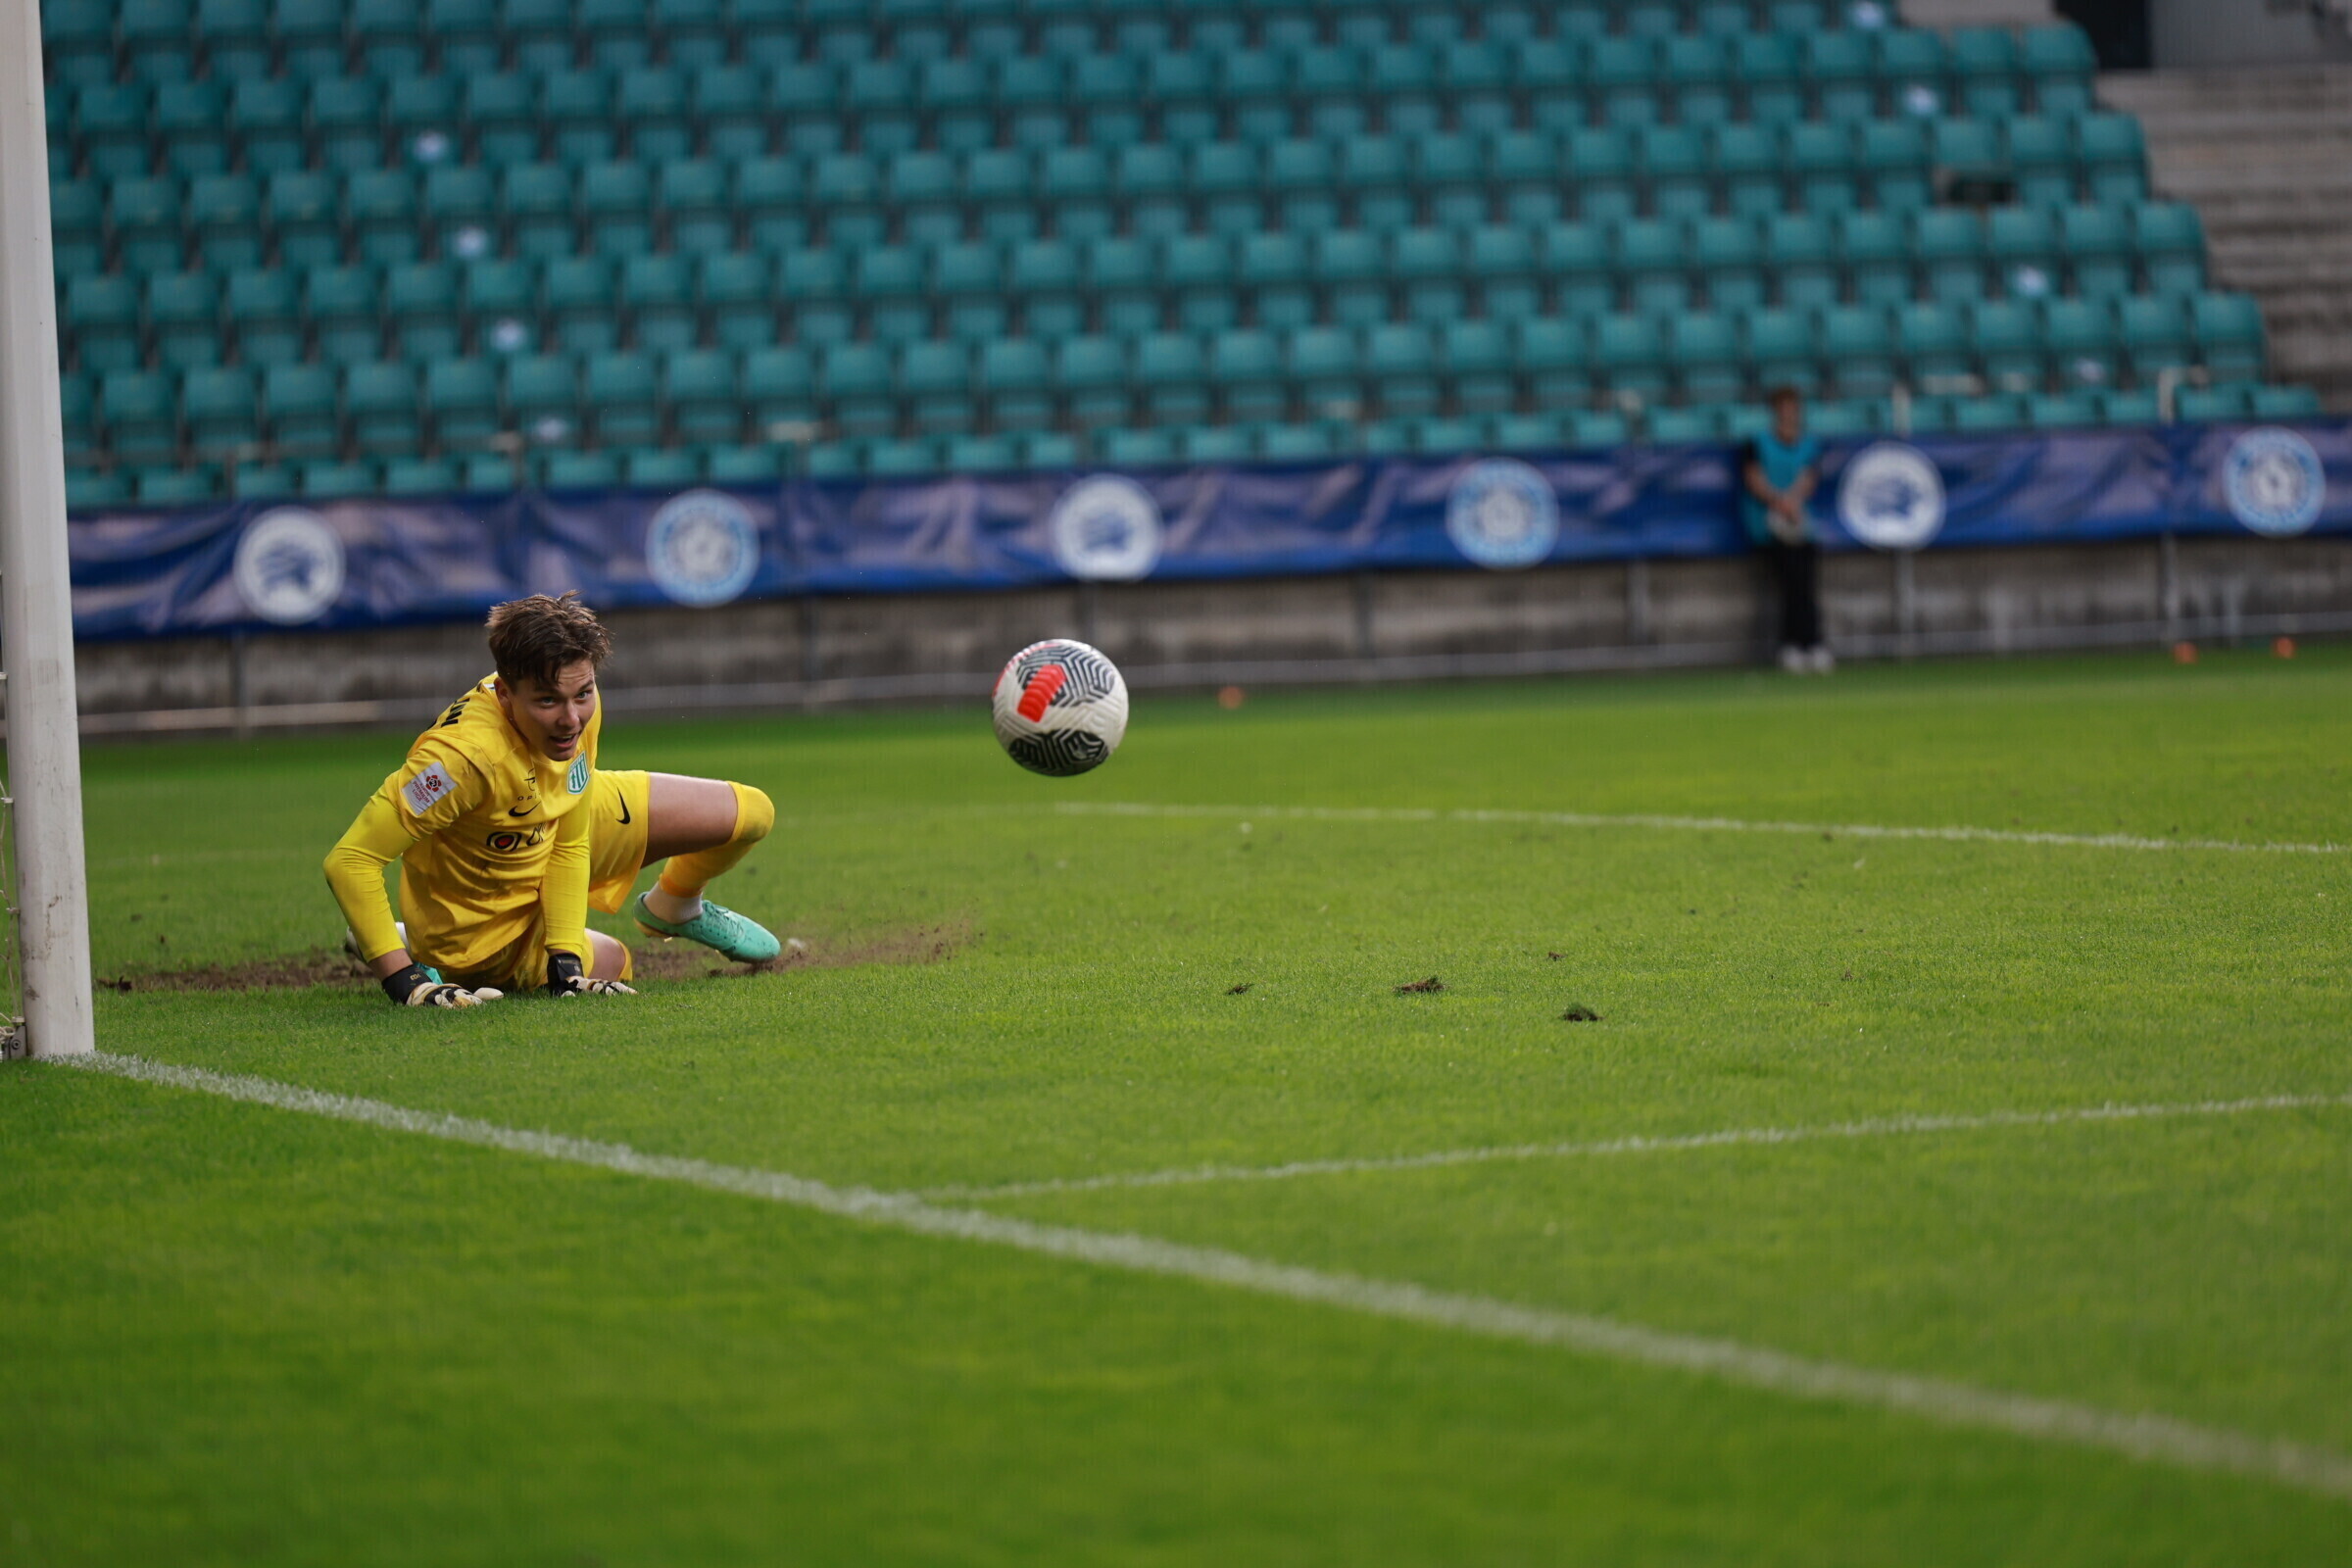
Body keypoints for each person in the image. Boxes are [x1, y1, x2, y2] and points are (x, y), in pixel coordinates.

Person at [322, 592, 779, 1006]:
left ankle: (675, 907)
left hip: (549, 823)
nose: (571, 720)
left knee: (751, 812)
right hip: (486, 901)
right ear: (504, 693)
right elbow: (351, 860)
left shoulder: (573, 705)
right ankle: (406, 945)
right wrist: (402, 980)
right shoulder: (462, 760)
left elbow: (570, 841)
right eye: (547, 701)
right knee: (616, 960)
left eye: (584, 694)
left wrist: (566, 962)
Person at [1740, 386, 1833, 674]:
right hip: (1769, 525)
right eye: (1784, 407)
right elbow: (1753, 477)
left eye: (1793, 407)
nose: (1789, 412)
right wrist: (1778, 502)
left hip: (1800, 524)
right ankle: (1791, 645)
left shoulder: (1808, 444)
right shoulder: (1758, 443)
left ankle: (1813, 643)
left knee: (1807, 585)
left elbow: (1808, 478)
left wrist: (1793, 503)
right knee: (1789, 586)